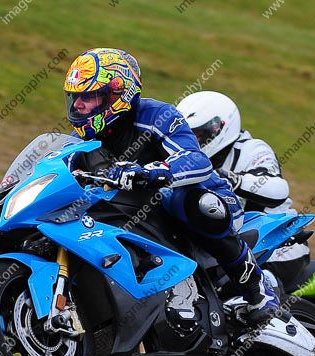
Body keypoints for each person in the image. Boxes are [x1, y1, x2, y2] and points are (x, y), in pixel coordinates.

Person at [63, 48, 280, 325]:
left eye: (89, 96)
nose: (79, 105)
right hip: (137, 217)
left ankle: (257, 289)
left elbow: (196, 160)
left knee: (181, 200)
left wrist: (151, 173)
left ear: (119, 95)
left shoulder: (157, 115)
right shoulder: (79, 141)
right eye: (75, 97)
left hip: (210, 201)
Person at [176, 91, 310, 281]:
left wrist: (234, 180)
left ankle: (272, 309)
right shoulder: (184, 159)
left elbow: (278, 188)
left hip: (278, 248)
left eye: (199, 135)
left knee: (256, 283)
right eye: (188, 136)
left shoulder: (253, 150)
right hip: (225, 248)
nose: (193, 143)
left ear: (220, 127)